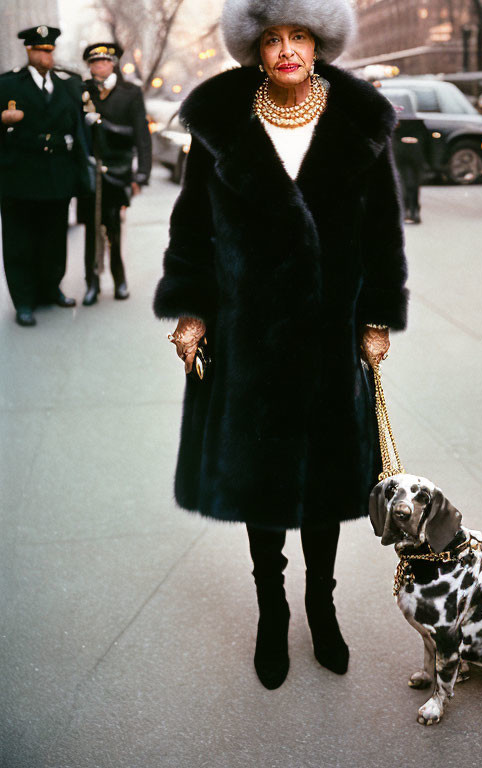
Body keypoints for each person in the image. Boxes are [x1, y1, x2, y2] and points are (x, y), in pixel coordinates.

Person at [153, 0, 409, 691]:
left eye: (299, 36)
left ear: (320, 43)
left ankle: (321, 611)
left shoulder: (359, 123)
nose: (287, 49)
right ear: (255, 50)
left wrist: (377, 316)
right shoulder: (222, 125)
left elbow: (384, 230)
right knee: (261, 482)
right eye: (273, 39)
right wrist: (192, 312)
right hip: (248, 334)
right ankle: (272, 613)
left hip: (331, 333)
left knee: (325, 482)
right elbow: (192, 230)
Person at [0, 25, 90, 327]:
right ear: (29, 51)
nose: (46, 55)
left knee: (54, 240)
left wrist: (80, 176)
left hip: (57, 178)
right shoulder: (8, 85)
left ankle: (51, 288)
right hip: (19, 179)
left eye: (50, 50)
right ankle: (24, 300)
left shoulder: (67, 86)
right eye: (40, 50)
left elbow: (78, 133)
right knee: (19, 242)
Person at [79, 43, 152, 305]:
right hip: (89, 171)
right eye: (94, 63)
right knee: (90, 228)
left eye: (104, 62)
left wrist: (141, 173)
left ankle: (119, 279)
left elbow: (142, 134)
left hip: (118, 170)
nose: (99, 66)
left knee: (113, 228)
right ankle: (92, 283)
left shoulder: (130, 92)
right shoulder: (83, 90)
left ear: (113, 63)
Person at [390, 92, 429, 225]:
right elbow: (426, 141)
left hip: (400, 155)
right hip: (415, 156)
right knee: (413, 183)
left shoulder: (394, 121)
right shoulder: (418, 123)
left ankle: (407, 210)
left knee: (403, 182)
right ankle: (414, 210)